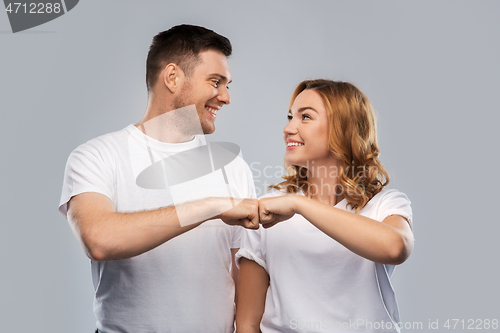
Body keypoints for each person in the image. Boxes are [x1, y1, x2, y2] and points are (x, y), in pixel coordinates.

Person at [58, 25, 259, 333]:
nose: (226, 97)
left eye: (228, 85)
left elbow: (242, 272)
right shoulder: (97, 156)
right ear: (173, 77)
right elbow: (99, 240)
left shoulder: (233, 168)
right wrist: (212, 206)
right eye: (216, 82)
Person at [235, 79, 414, 333]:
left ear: (343, 128)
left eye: (305, 117)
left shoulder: (384, 203)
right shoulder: (270, 210)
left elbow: (396, 248)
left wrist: (300, 205)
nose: (288, 128)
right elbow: (247, 323)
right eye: (290, 117)